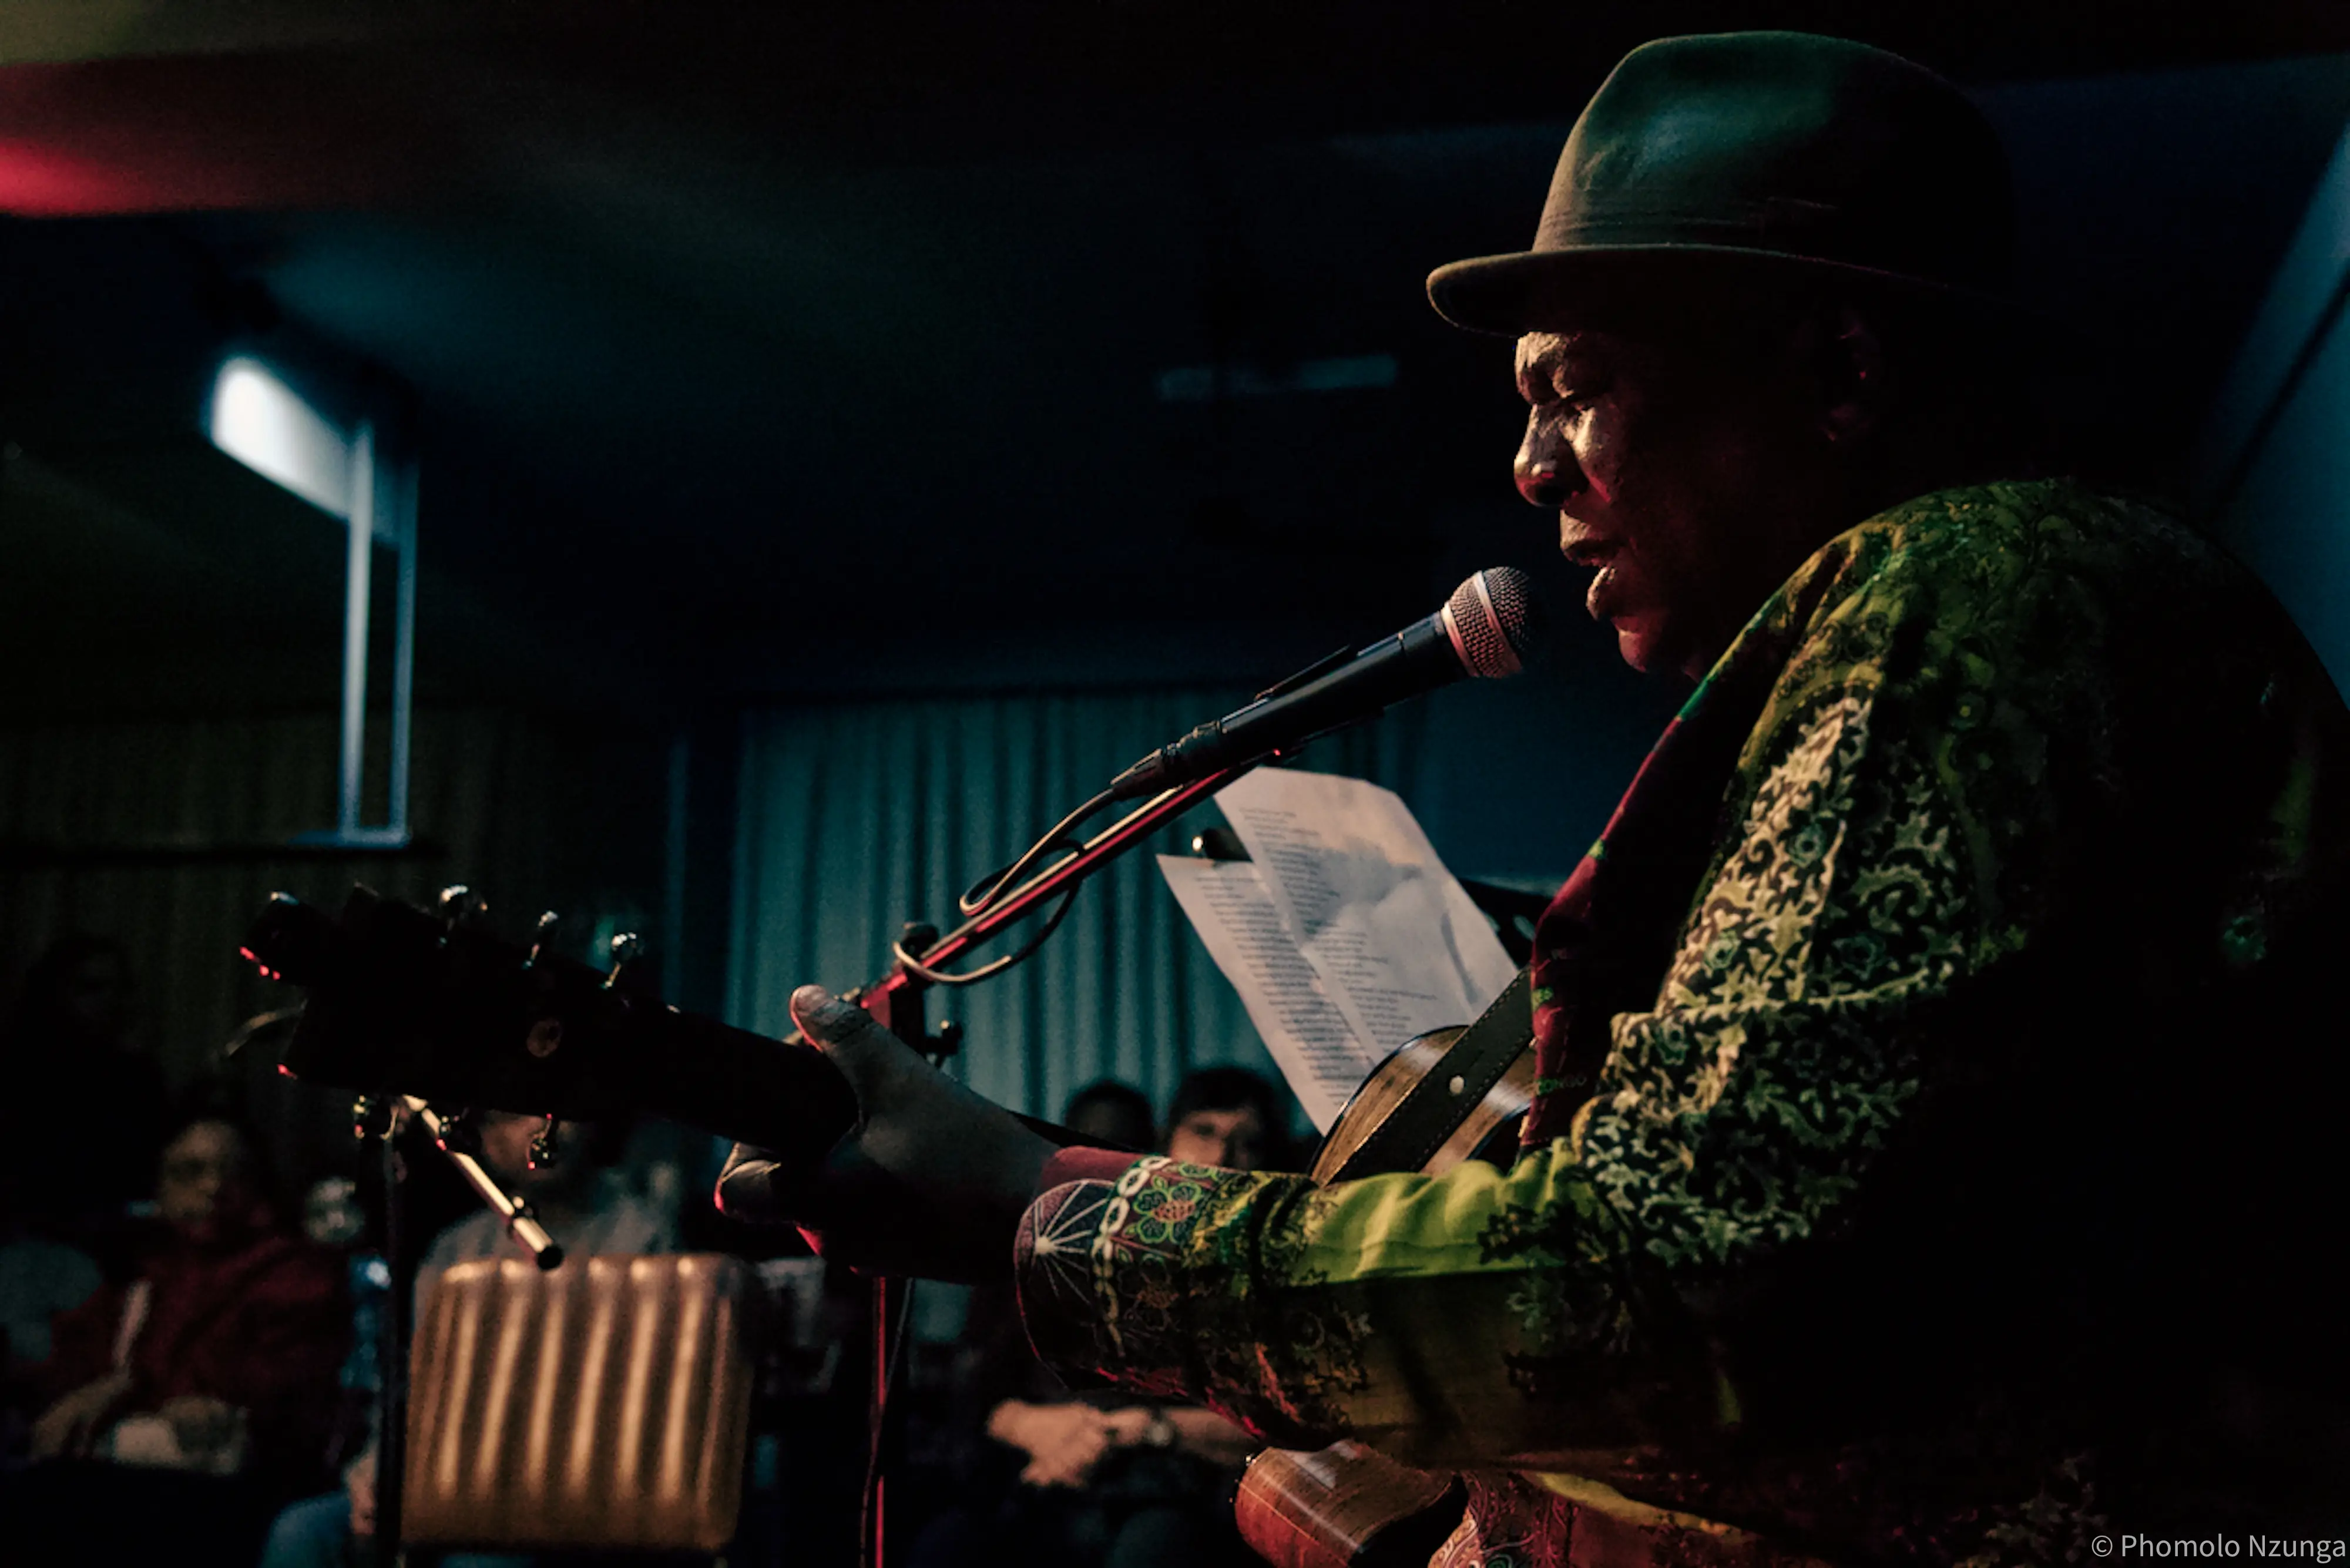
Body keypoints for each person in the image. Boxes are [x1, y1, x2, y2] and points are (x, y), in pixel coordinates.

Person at [719, 32, 2350, 1563]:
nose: (1529, 464)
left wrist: (1044, 1215)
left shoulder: (1971, 591)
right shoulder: (2036, 615)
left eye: (1571, 387)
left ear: (1842, 371)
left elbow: (1671, 1278)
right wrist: (1054, 1189)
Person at [257, 1110, 677, 1568]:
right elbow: (414, 1386)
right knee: (303, 1532)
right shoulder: (457, 1248)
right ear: (486, 1141)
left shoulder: (642, 1234)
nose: (544, 1128)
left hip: (562, 1490)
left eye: (559, 1110)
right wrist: (376, 1470)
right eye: (517, 1116)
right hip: (449, 1479)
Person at [5, 1113, 345, 1566]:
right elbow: (70, 1376)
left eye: (233, 1171)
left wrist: (139, 1388)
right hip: (114, 1473)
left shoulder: (294, 1273)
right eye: (190, 1171)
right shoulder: (142, 1273)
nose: (213, 1187)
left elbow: (283, 1398)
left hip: (234, 1487)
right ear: (160, 1185)